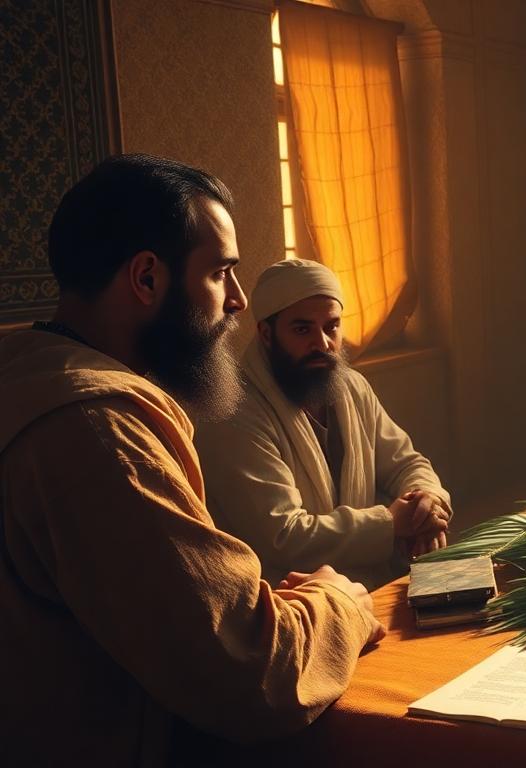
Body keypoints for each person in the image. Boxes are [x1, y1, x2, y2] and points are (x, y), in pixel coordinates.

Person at [0, 154, 384, 765]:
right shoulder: (96, 429)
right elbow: (251, 674)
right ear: (147, 279)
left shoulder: (30, 373)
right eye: (220, 274)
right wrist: (340, 602)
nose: (235, 301)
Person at [195, 259, 451, 590]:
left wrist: (425, 503)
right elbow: (284, 536)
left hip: (367, 584)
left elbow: (405, 463)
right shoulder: (233, 412)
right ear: (267, 333)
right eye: (303, 329)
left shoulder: (351, 387)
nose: (322, 343)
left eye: (331, 327)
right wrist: (390, 524)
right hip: (287, 599)